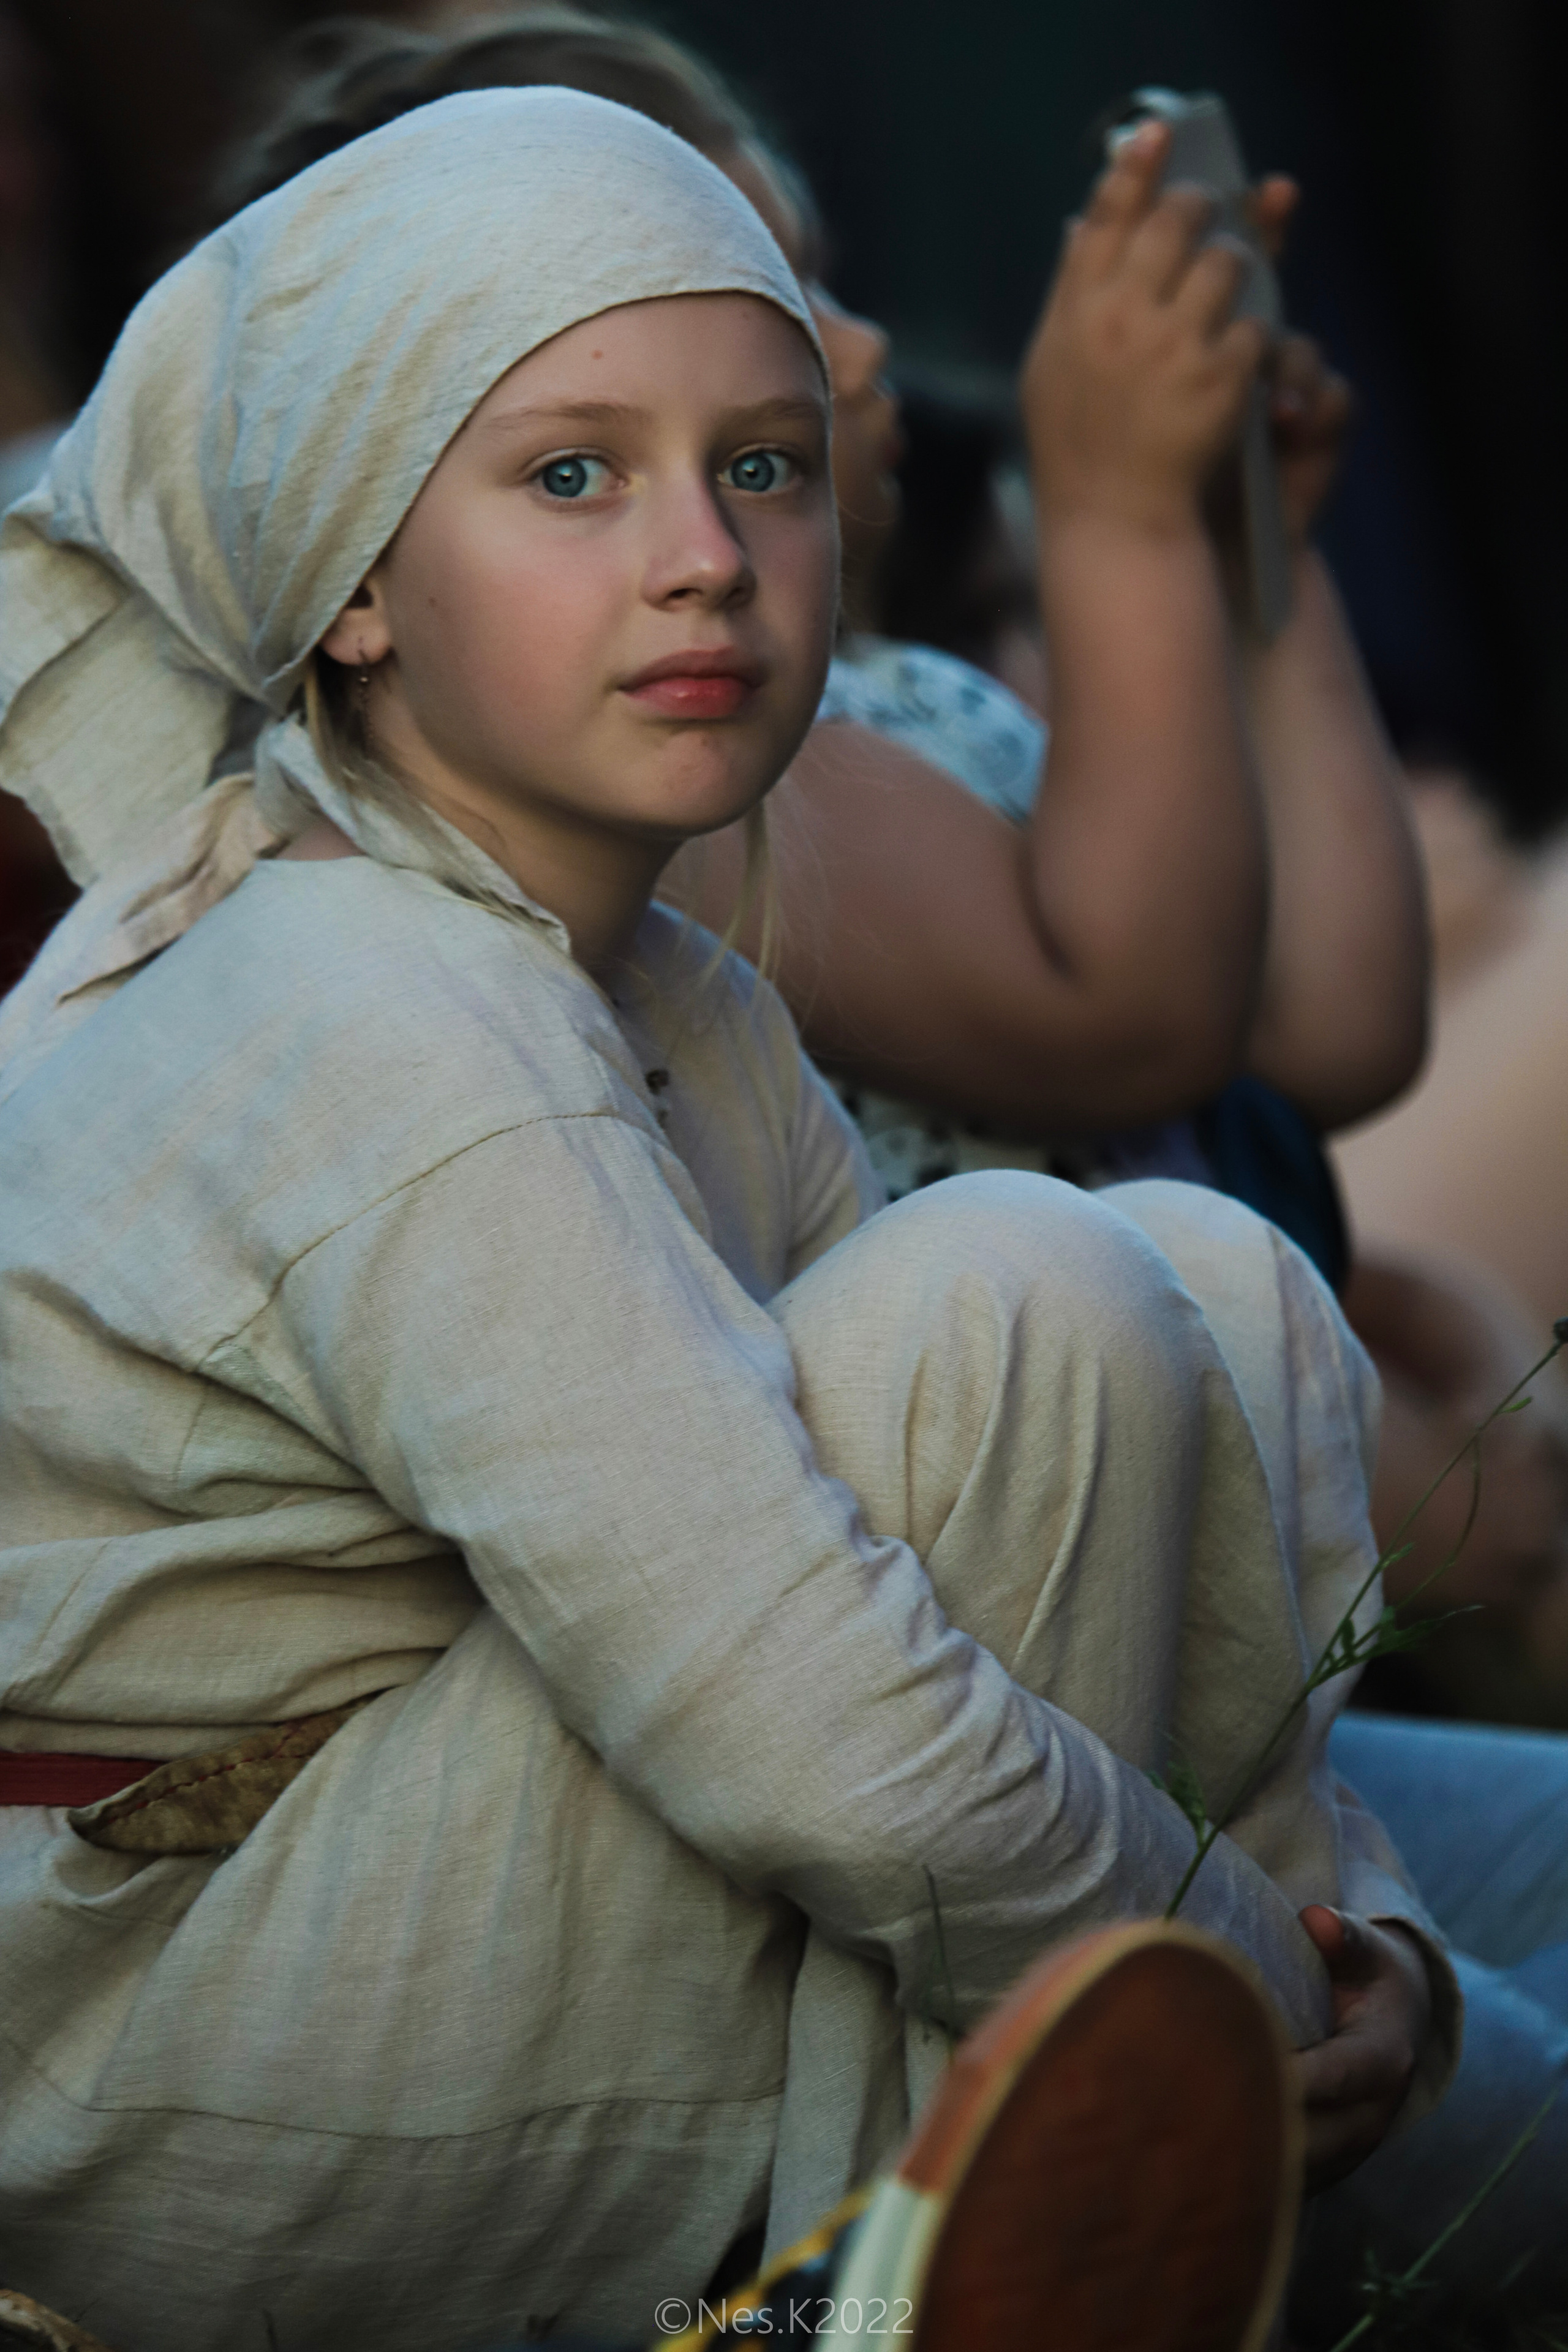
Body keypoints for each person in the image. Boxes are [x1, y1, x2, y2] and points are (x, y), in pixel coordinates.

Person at [0, 85, 1453, 2351]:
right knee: (1018, 1299)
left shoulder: (682, 997)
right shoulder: (365, 1005)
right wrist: (1233, 1987)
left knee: (1203, 1275)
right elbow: (806, 1717)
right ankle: (885, 2291)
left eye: (762, 466)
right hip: (160, 2048)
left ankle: (1039, 2216)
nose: (703, 557)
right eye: (573, 476)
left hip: (427, 1890)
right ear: (356, 587)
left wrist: (1361, 1953)